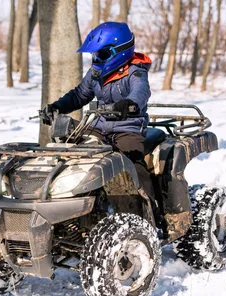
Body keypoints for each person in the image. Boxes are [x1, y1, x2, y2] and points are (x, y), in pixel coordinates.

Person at [41, 22, 154, 200]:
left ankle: (148, 207)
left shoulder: (135, 72)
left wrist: (129, 104)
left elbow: (141, 91)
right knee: (74, 156)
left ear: (119, 51)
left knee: (132, 164)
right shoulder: (95, 73)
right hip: (97, 127)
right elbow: (79, 94)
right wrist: (57, 107)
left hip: (127, 129)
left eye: (102, 54)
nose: (97, 59)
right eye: (95, 54)